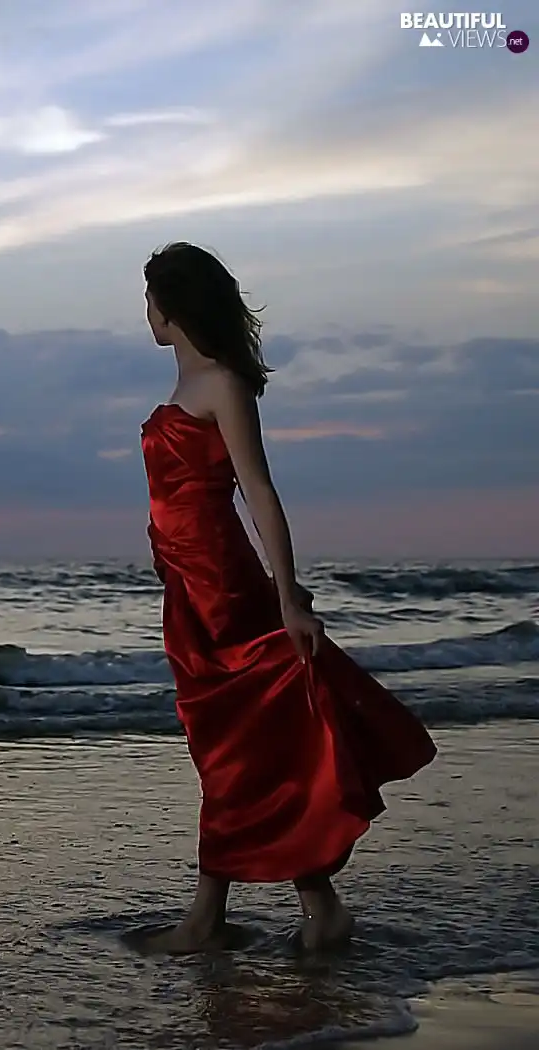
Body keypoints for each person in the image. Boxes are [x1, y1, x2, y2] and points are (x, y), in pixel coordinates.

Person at [134, 242, 438, 954]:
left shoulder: (222, 385)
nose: (144, 314)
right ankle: (318, 907)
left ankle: (207, 918)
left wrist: (287, 597)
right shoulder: (188, 390)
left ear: (172, 308)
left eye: (149, 300)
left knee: (229, 749)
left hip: (224, 590)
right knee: (242, 746)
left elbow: (258, 491)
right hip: (187, 592)